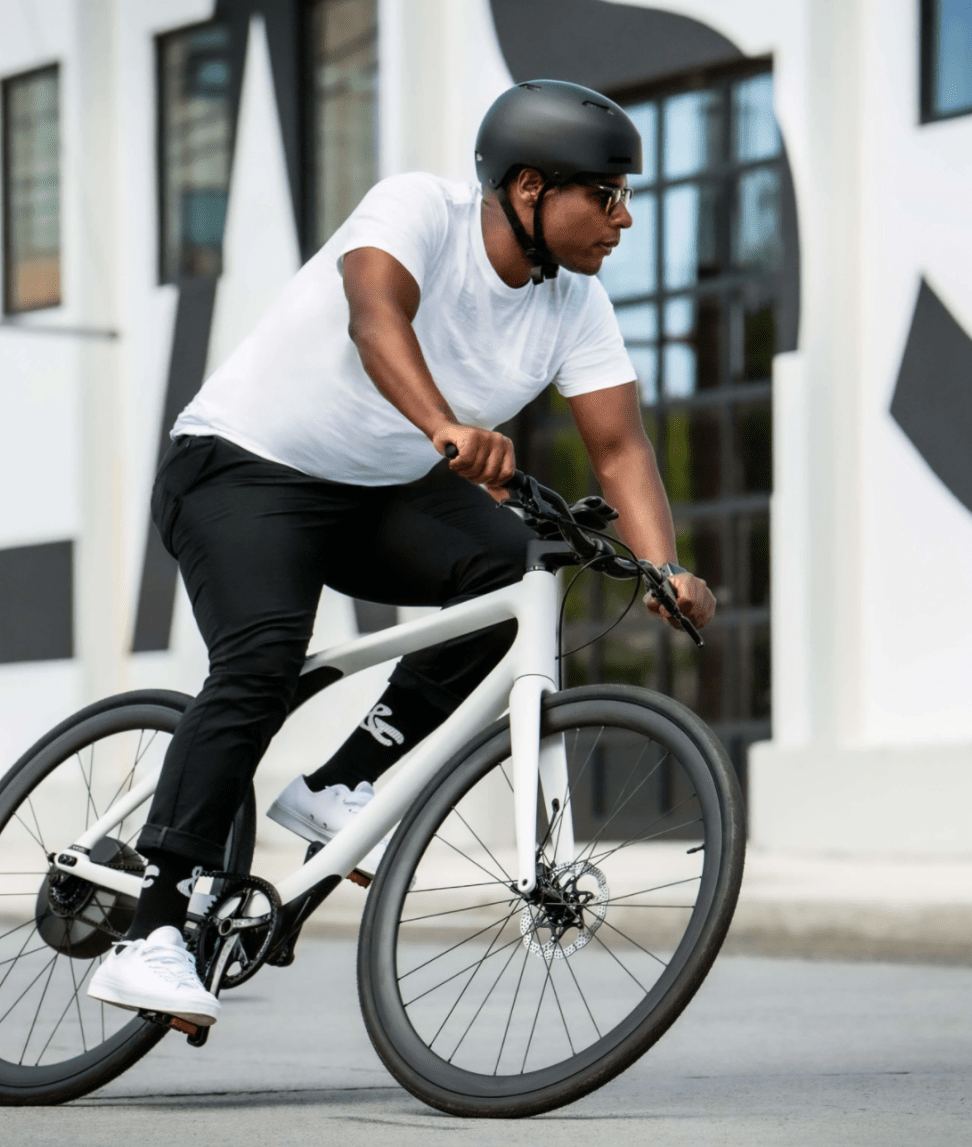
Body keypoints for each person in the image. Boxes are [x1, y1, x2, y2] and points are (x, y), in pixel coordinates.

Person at [87, 80, 715, 1026]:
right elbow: (376, 316)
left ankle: (338, 783)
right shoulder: (421, 209)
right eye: (607, 194)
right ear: (531, 187)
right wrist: (444, 425)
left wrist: (664, 566)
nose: (624, 217)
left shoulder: (576, 306)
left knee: (512, 577)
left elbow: (620, 447)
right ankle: (152, 930)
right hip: (239, 467)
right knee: (259, 663)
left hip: (372, 492)